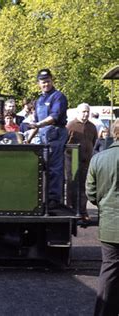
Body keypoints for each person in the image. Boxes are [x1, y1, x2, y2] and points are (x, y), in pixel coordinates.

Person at [85, 119, 119, 316]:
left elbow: (91, 193)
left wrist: (104, 206)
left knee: (109, 271)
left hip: (109, 225)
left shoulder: (98, 159)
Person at [28, 69, 68, 210]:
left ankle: (54, 200)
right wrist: (27, 140)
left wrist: (38, 125)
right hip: (43, 136)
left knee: (54, 168)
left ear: (52, 80)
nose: (46, 84)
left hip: (55, 134)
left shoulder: (58, 97)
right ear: (39, 83)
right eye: (43, 82)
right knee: (41, 167)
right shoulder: (39, 100)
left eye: (48, 81)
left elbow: (53, 117)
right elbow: (35, 124)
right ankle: (41, 198)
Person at [65, 103, 97, 221]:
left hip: (86, 159)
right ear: (78, 112)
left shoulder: (92, 127)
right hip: (72, 158)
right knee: (72, 184)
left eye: (87, 112)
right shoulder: (71, 125)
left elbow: (94, 141)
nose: (85, 114)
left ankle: (83, 211)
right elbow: (65, 142)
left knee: (85, 185)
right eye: (83, 112)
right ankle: (71, 210)